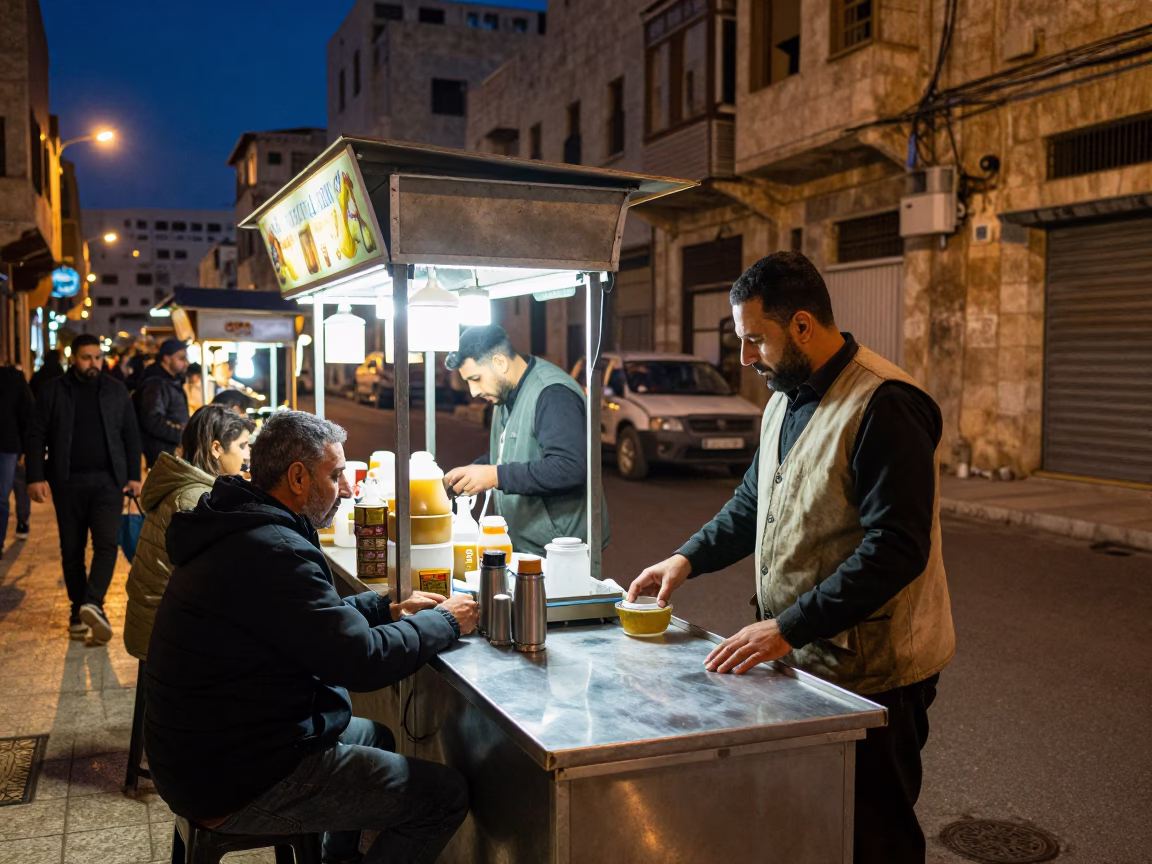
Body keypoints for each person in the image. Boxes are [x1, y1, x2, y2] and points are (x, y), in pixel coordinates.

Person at [628, 252, 954, 864]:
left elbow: (897, 548)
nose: (744, 357)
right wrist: (686, 559)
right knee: (810, 825)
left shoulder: (886, 404)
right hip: (806, 656)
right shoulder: (784, 397)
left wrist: (787, 627)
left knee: (873, 835)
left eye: (755, 339)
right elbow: (755, 501)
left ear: (802, 325)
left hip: (876, 673)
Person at [145, 411, 478, 864]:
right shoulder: (273, 548)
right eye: (335, 475)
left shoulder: (241, 524)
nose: (347, 488)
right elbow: (360, 661)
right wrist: (447, 622)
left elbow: (306, 620)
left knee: (376, 736)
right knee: (444, 796)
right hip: (236, 776)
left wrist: (385, 608)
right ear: (298, 477)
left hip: (201, 752)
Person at [443, 325, 609, 556]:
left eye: (476, 378)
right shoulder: (504, 391)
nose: (473, 391)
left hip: (561, 551)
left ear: (500, 362)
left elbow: (570, 467)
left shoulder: (553, 394)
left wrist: (494, 476)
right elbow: (513, 451)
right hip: (527, 546)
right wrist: (473, 472)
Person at [26, 334, 143, 641]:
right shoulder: (53, 391)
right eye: (86, 357)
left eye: (97, 357)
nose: (93, 363)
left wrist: (134, 475)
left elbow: (131, 435)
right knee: (72, 549)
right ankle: (78, 612)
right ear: (73, 359)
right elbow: (36, 435)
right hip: (67, 481)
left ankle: (92, 602)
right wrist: (35, 476)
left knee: (106, 544)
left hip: (108, 481)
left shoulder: (116, 390)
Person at [123, 405, 255, 661]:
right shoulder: (195, 500)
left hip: (157, 629)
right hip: (166, 639)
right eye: (242, 445)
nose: (247, 454)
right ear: (216, 448)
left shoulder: (189, 487)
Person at [137, 339, 190, 468]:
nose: (186, 363)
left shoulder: (172, 381)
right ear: (167, 358)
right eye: (181, 358)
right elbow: (153, 420)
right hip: (162, 455)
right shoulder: (155, 384)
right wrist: (183, 434)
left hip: (170, 452)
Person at [0, 364, 33, 558]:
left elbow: (27, 414)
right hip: (10, 445)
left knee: (3, 495)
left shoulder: (13, 379)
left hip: (8, 446)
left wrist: (27, 448)